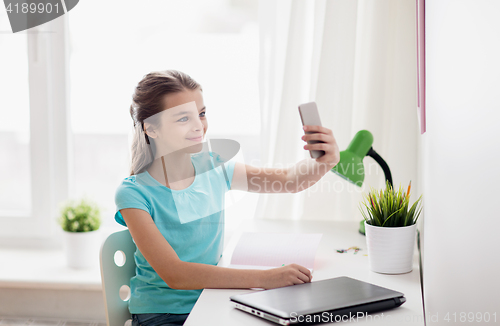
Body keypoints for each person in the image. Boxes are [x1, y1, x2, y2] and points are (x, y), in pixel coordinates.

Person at [114, 70, 340, 326]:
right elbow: (175, 275)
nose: (199, 126)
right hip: (164, 314)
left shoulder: (213, 166)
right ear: (151, 129)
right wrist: (265, 279)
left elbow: (290, 180)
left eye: (201, 114)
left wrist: (326, 161)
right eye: (183, 118)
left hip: (213, 299)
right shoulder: (134, 192)